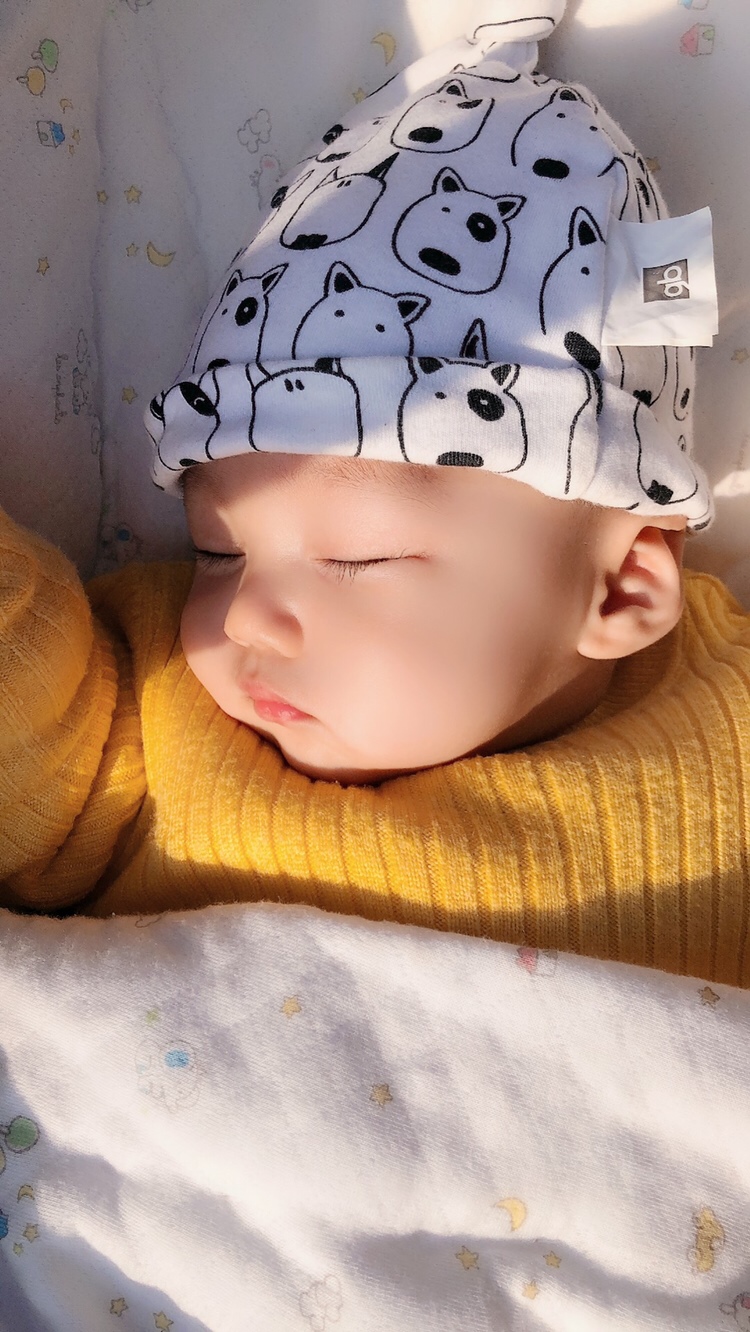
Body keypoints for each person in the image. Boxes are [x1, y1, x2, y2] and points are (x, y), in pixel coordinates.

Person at [1, 4, 748, 988]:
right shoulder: (154, 710)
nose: (246, 616)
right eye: (215, 551)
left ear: (620, 589)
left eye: (357, 556)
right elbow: (33, 741)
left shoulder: (730, 728)